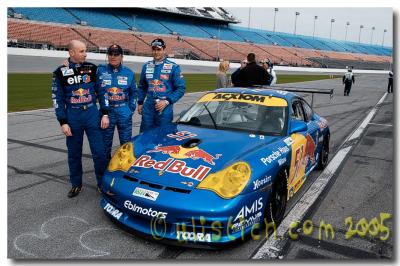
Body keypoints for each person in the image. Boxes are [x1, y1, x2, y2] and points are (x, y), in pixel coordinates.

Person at [51, 40, 108, 198]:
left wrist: (105, 113)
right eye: (82, 51)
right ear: (71, 53)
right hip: (73, 116)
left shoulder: (92, 68)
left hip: (92, 114)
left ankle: (101, 183)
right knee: (74, 153)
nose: (85, 53)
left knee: (99, 153)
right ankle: (76, 184)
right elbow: (57, 99)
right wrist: (63, 122)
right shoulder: (60, 72)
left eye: (85, 50)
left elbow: (102, 92)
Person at [96, 44, 137, 160]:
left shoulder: (129, 72)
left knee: (125, 144)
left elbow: (134, 92)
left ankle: (123, 169)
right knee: (104, 145)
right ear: (107, 56)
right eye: (110, 54)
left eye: (116, 54)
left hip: (123, 110)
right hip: (106, 112)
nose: (113, 57)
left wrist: (131, 109)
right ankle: (105, 169)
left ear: (121, 56)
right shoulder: (99, 70)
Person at [137, 38, 186, 133]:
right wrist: (140, 102)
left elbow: (181, 89)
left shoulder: (173, 67)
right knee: (144, 137)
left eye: (158, 49)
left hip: (164, 109)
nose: (156, 52)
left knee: (163, 138)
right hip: (148, 108)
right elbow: (142, 86)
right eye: (154, 49)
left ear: (164, 49)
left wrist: (167, 101)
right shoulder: (146, 66)